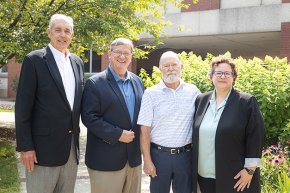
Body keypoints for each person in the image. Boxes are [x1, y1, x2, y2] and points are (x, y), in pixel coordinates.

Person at [15, 14, 84, 193]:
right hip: (41, 151)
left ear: (72, 35)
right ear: (49, 32)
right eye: (58, 30)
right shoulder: (34, 60)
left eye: (67, 31)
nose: (63, 35)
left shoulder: (77, 62)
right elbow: (23, 108)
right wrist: (26, 147)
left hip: (70, 151)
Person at [192, 56, 265, 193]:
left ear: (233, 77)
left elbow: (256, 137)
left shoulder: (246, 102)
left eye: (227, 73)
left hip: (235, 176)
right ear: (212, 76)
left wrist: (250, 170)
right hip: (204, 175)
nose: (222, 76)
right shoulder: (201, 100)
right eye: (218, 73)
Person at [81, 37, 144, 193]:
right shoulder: (95, 83)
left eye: (126, 53)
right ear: (109, 54)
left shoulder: (138, 82)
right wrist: (117, 134)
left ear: (131, 56)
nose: (122, 56)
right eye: (118, 52)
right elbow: (89, 117)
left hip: (133, 160)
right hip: (105, 160)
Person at [137, 51, 201, 193]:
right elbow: (144, 129)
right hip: (159, 156)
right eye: (166, 66)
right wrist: (147, 160)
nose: (170, 68)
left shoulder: (194, 91)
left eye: (174, 64)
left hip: (185, 156)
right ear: (160, 69)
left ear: (181, 66)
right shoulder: (151, 93)